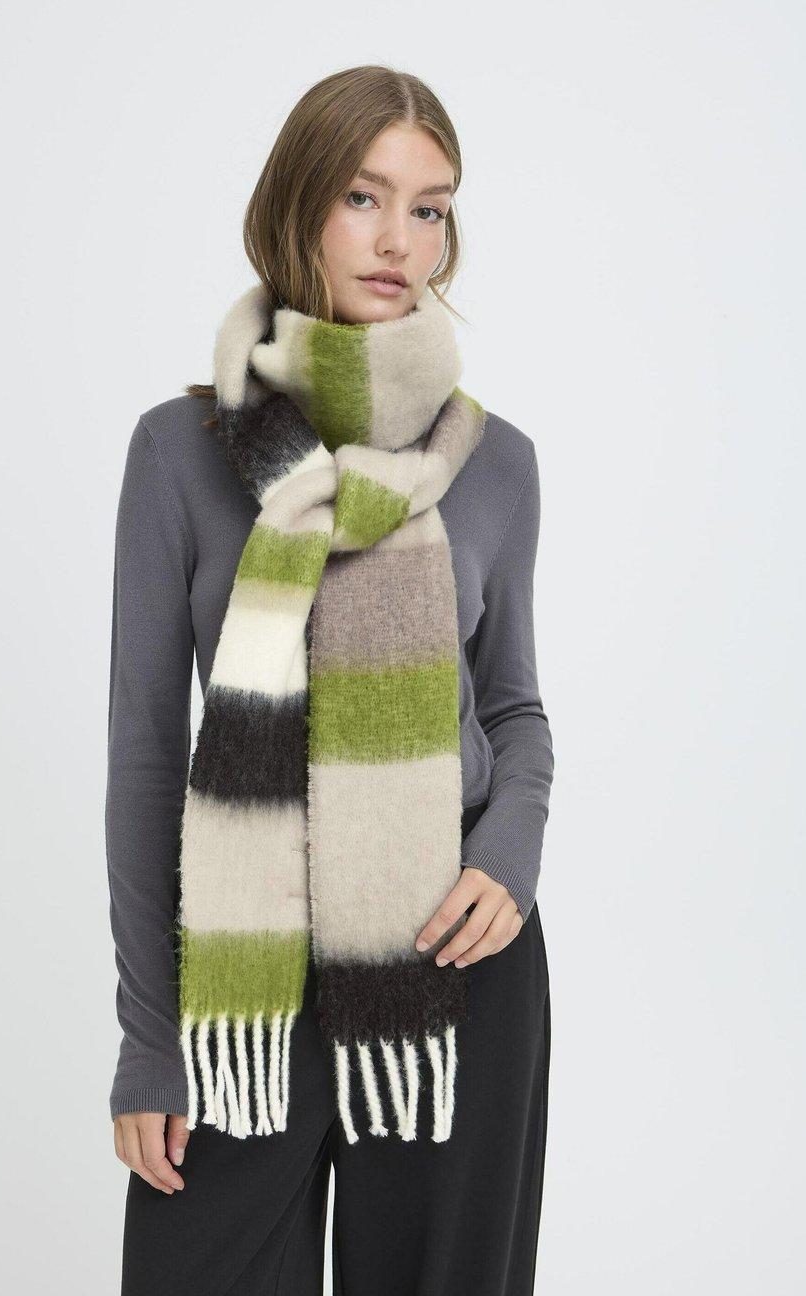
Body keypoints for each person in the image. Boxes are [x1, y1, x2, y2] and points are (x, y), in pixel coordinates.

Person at [106, 64, 555, 1295]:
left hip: (453, 964)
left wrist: (509, 854)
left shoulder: (496, 463)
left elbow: (513, 709)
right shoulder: (181, 452)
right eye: (365, 196)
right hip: (242, 987)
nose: (400, 239)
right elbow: (146, 755)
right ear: (298, 204)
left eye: (430, 207)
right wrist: (150, 1040)